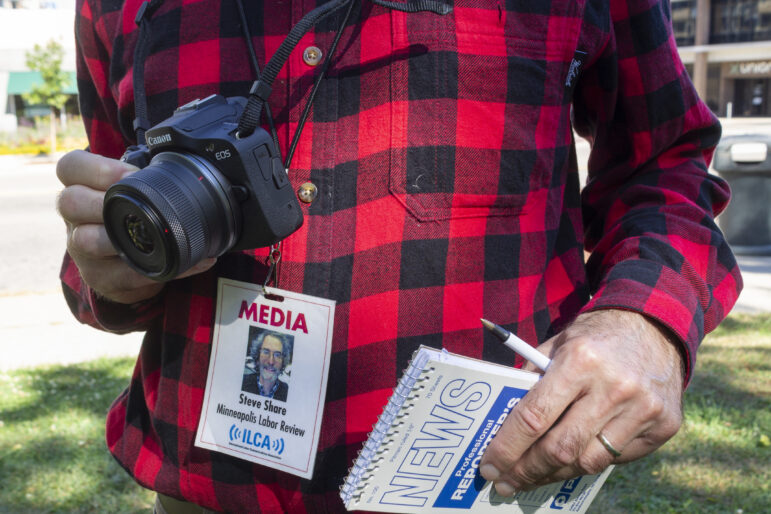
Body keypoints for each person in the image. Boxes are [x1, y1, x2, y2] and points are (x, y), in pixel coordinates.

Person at [56, 0, 742, 511]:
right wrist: (107, 269)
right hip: (206, 492)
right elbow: (110, 214)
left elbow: (664, 163)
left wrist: (643, 324)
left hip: (479, 485)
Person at [242, 331, 291, 401]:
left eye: (277, 355)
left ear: (283, 361)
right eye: (266, 352)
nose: (271, 361)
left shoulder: (287, 393)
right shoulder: (243, 383)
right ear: (257, 357)